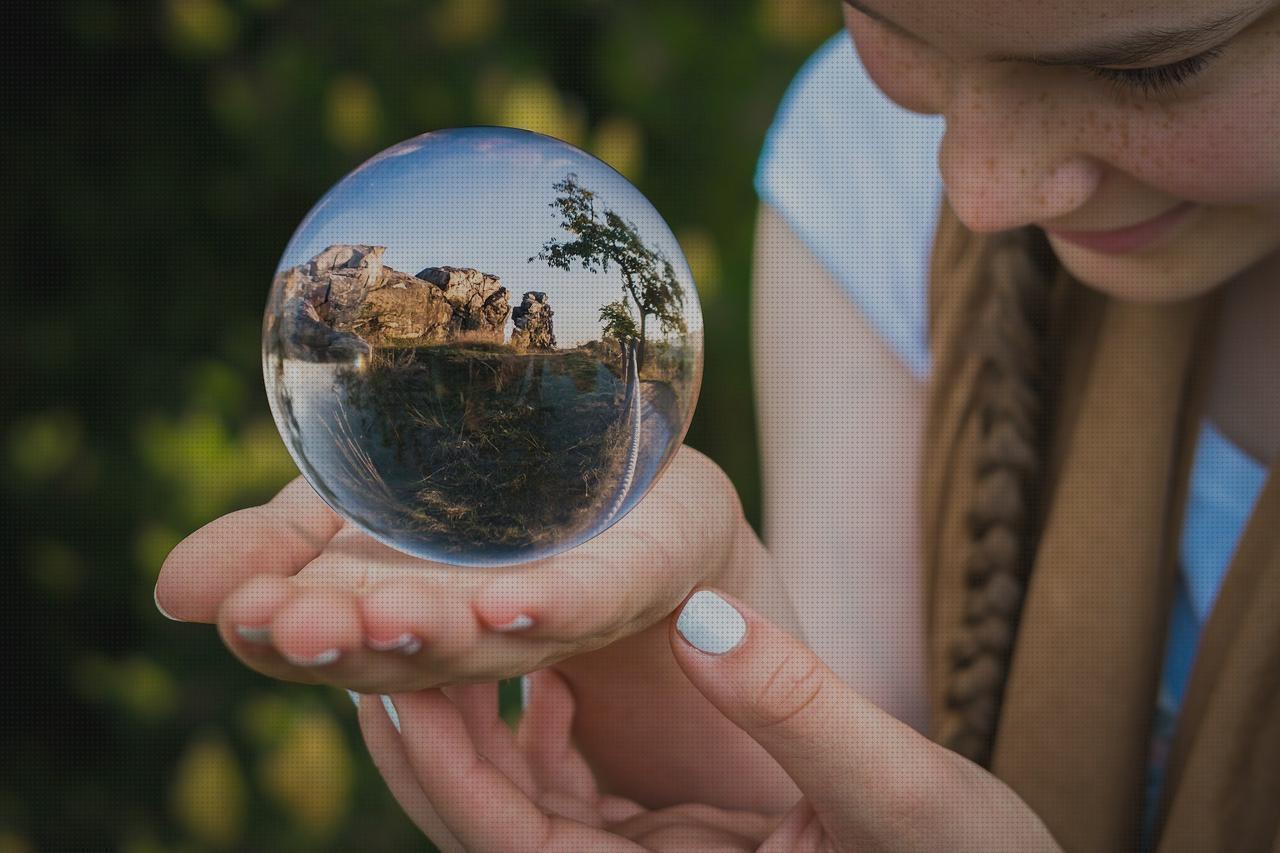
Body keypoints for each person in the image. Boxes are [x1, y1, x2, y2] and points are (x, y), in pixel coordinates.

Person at [155, 0, 1280, 849]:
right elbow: (830, 783)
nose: (979, 192)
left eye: (1156, 68)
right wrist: (667, 653)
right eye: (894, 28)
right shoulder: (867, 166)